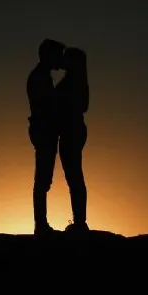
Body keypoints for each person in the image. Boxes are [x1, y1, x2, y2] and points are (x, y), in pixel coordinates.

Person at [27, 39, 66, 235]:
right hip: (44, 131)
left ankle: (41, 224)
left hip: (43, 130)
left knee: (43, 179)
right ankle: (40, 225)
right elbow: (46, 106)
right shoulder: (39, 78)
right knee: (42, 179)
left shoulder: (41, 77)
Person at [56, 47, 89, 235]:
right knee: (75, 177)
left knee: (74, 177)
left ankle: (80, 222)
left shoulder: (72, 82)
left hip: (71, 131)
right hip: (76, 130)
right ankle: (79, 221)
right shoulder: (78, 81)